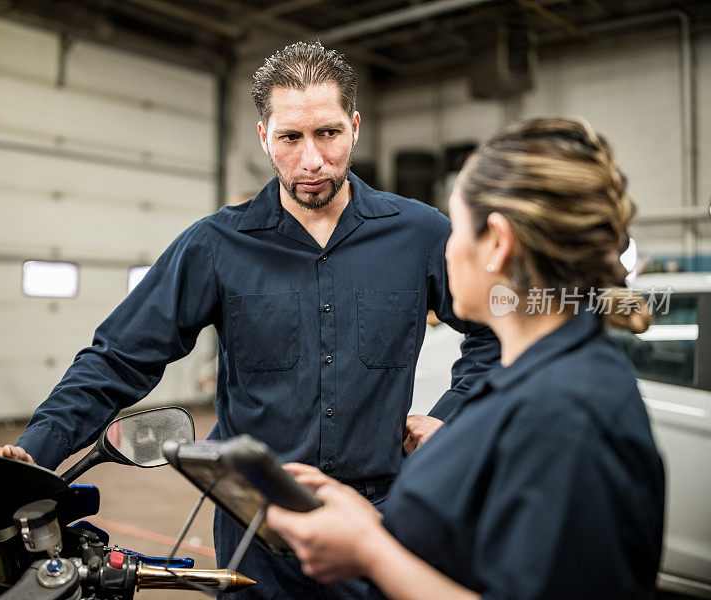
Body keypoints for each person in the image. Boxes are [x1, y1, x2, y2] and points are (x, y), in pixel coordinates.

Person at [0, 42, 499, 599]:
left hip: (381, 517)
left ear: (356, 126)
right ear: (264, 137)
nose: (312, 159)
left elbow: (496, 334)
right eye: (291, 137)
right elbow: (119, 357)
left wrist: (453, 417)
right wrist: (30, 458)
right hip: (255, 533)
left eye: (328, 133)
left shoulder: (421, 235)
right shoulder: (215, 246)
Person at [267, 117, 666, 600]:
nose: (447, 247)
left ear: (496, 243)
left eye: (457, 228)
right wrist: (363, 519)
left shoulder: (567, 414)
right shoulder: (531, 382)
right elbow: (479, 550)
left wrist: (372, 551)